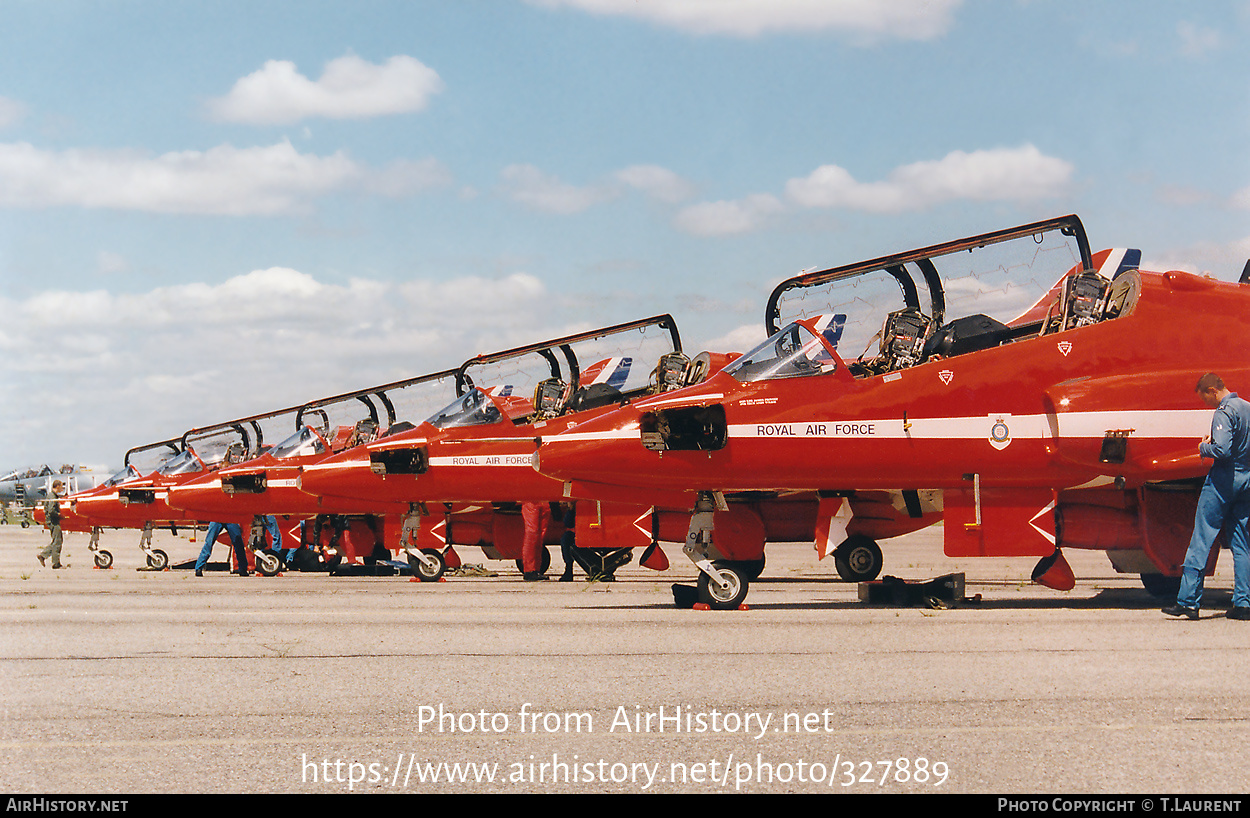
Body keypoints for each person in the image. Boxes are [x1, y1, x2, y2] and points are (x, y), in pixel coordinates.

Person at [1164, 374, 1250, 620]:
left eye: (1205, 398)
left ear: (1212, 390)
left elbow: (1221, 450)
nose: (1207, 404)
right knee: (1242, 543)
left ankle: (1188, 601)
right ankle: (1243, 604)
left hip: (1223, 481)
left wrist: (1204, 446)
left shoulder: (1224, 412)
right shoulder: (1247, 408)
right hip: (1247, 481)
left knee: (1202, 537)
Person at [37, 480, 67, 568]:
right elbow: (51, 510)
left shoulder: (52, 496)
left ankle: (43, 555)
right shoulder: (52, 497)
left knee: (56, 541)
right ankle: (56, 563)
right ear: (57, 486)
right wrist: (59, 515)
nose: (62, 488)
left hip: (52, 521)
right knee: (57, 542)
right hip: (53, 521)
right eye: (61, 486)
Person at [520, 501, 551, 581]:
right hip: (531, 500)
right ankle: (529, 570)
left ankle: (535, 569)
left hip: (543, 500)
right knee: (532, 533)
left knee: (539, 536)